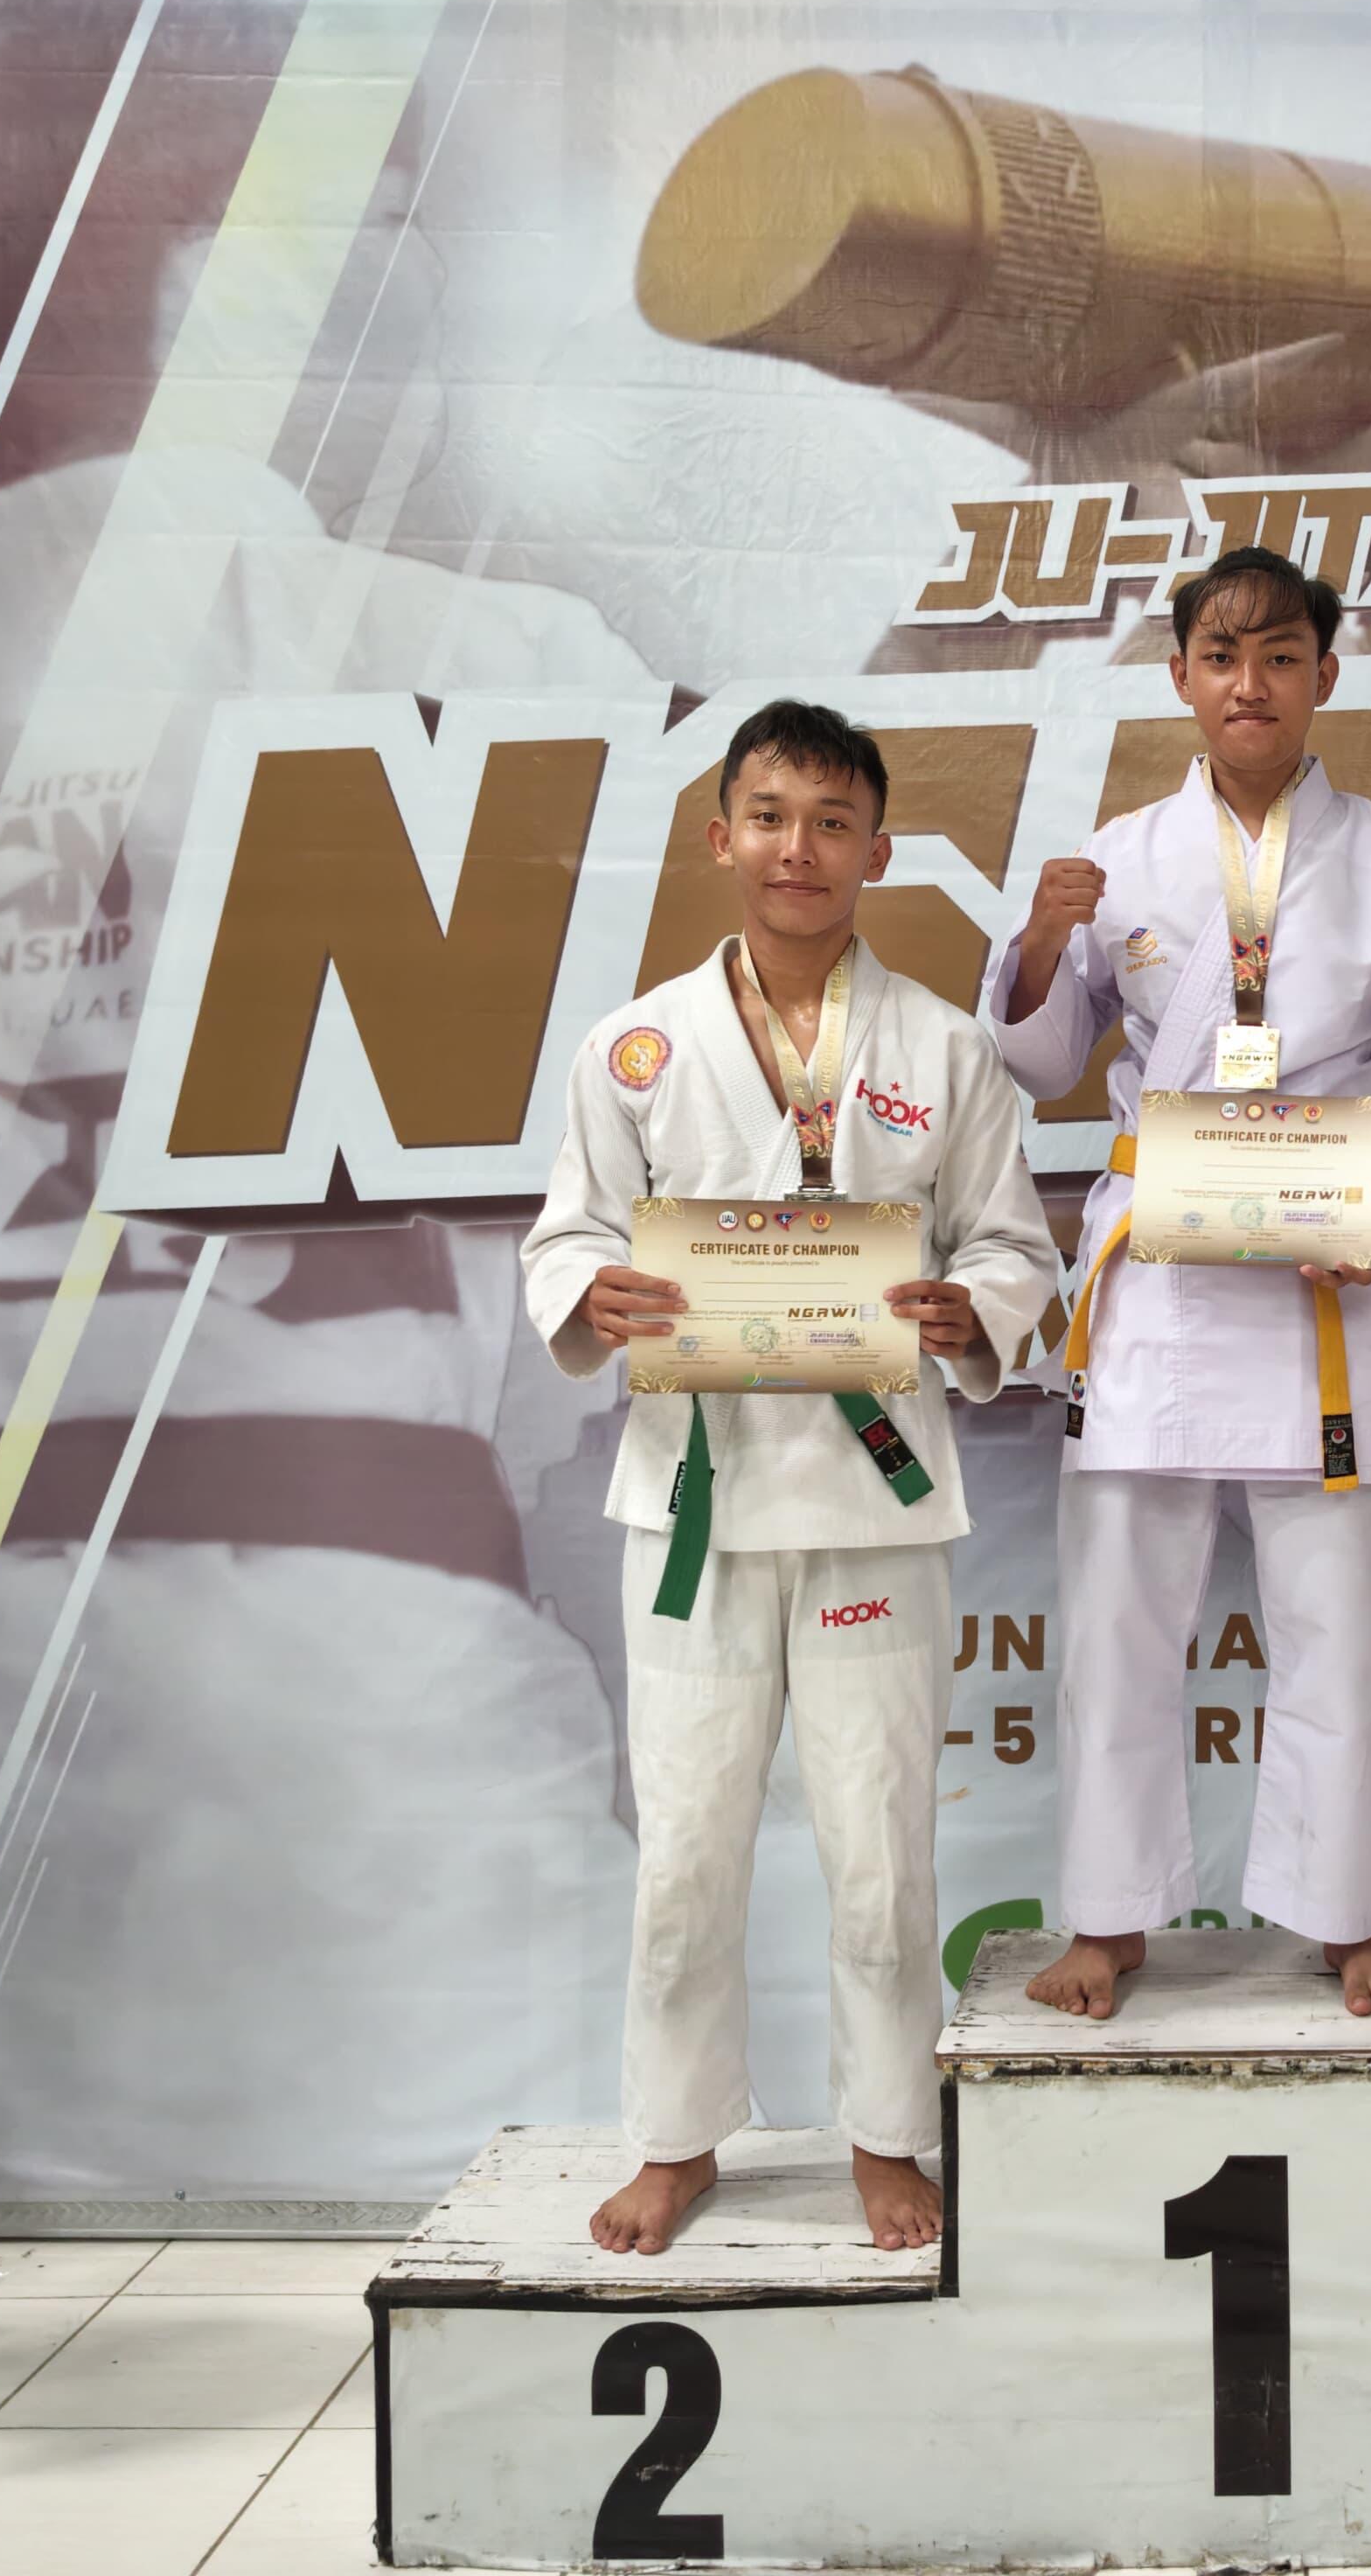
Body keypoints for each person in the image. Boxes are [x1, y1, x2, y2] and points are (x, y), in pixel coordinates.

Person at [0, 0, 658, 2195]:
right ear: (251, 261)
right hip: (346, 1750)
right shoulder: (491, 670)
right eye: (367, 223)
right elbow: (672, 1275)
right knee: (443, 2318)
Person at [523, 701, 1059, 2253]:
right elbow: (570, 1233)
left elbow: (1012, 1242)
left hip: (874, 1498)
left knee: (881, 1851)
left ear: (878, 850)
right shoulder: (634, 1046)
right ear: (721, 839)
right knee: (685, 1851)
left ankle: (887, 2135)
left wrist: (974, 1310)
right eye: (769, 816)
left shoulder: (944, 1047)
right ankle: (676, 2139)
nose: (798, 848)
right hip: (693, 1493)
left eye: (832, 822)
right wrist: (596, 1293)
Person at [985, 547, 1371, 2020]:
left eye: (1281, 656)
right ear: (1180, 677)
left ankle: (1345, 1918)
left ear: (1323, 677)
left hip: (1327, 1272)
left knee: (1339, 1619)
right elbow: (1044, 1059)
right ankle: (1108, 1918)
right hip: (1162, 1277)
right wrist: (1040, 947)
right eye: (1222, 656)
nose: (1250, 683)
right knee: (1117, 1617)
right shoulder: (1121, 855)